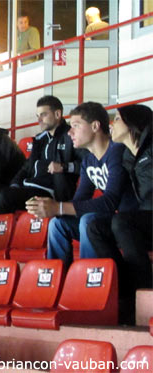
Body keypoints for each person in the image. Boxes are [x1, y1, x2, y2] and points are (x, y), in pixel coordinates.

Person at [26, 102, 137, 268]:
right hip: (109, 222)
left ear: (95, 126)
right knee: (58, 223)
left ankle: (87, 277)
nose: (70, 132)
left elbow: (110, 201)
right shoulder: (88, 161)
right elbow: (79, 202)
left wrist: (59, 207)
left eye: (76, 126)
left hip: (129, 223)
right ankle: (57, 279)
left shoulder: (117, 152)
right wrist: (50, 208)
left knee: (87, 220)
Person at [86, 104, 151, 325]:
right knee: (95, 226)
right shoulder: (126, 157)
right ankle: (122, 290)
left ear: (132, 123)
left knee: (122, 221)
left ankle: (142, 291)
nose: (111, 124)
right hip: (144, 218)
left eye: (116, 120)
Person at [0, 96, 85, 213]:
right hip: (29, 187)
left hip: (50, 193)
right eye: (38, 116)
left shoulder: (71, 136)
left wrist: (64, 166)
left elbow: (86, 164)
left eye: (43, 115)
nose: (39, 120)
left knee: (5, 196)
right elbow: (26, 167)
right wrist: (15, 184)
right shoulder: (39, 139)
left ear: (57, 114)